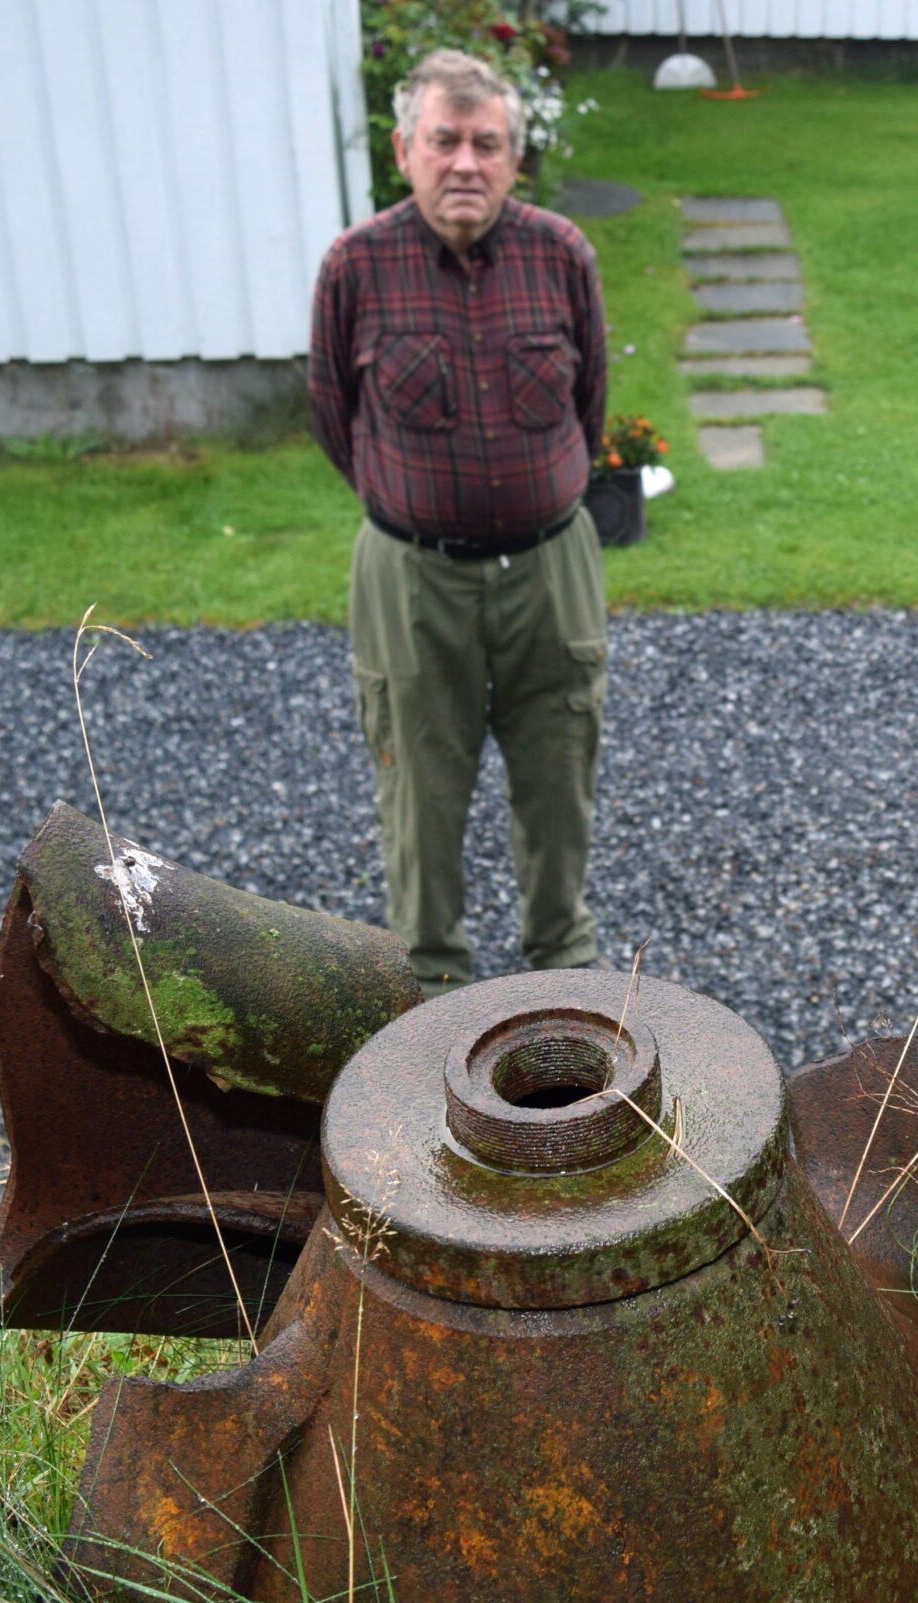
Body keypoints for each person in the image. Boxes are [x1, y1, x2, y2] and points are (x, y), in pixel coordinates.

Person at [308, 48, 610, 995]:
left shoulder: (562, 255)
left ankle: (563, 967)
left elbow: (591, 407)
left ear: (515, 158)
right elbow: (332, 416)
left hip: (551, 569)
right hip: (411, 577)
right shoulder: (355, 266)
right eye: (445, 142)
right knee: (419, 787)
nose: (466, 163)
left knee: (560, 772)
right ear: (406, 151)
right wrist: (412, 507)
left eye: (487, 143)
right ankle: (429, 982)